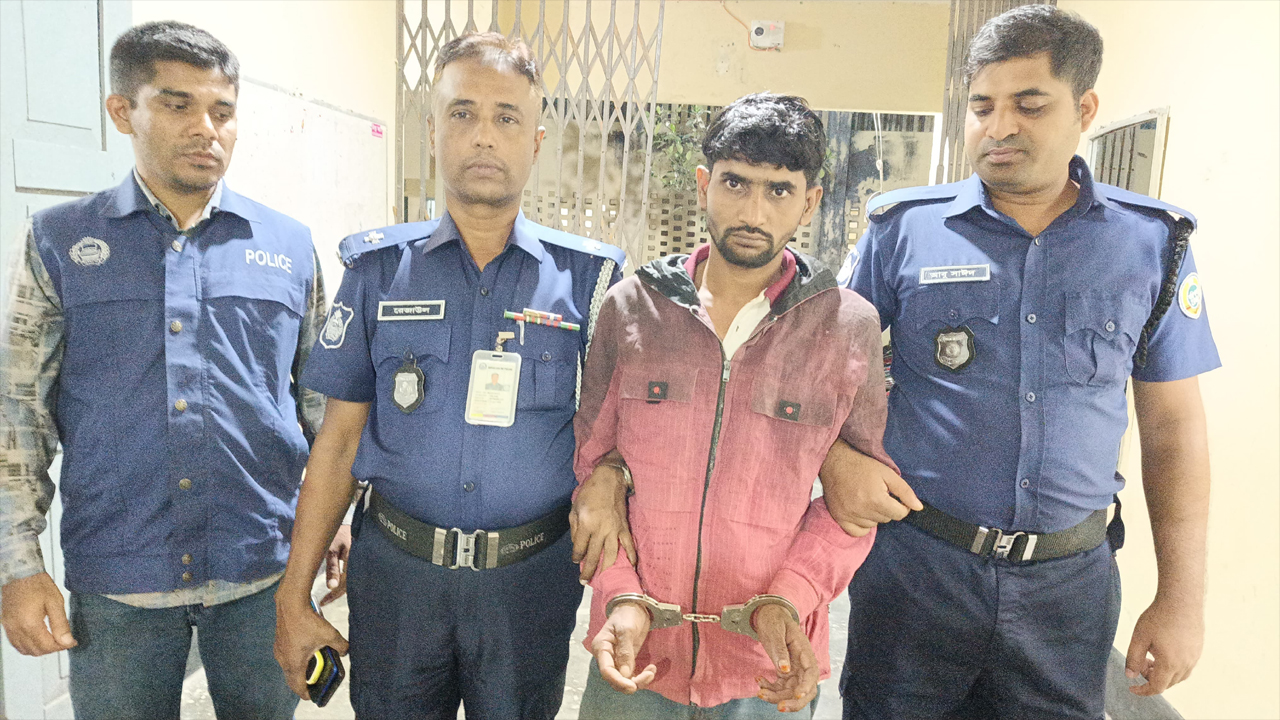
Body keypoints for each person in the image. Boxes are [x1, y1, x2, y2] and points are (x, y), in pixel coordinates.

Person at [833, 6, 1217, 719]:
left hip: (1068, 590)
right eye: (983, 106)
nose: (999, 126)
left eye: (1029, 105)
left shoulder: (1149, 244)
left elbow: (1173, 429)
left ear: (1084, 110)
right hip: (919, 570)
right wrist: (835, 461)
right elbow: (816, 373)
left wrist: (1181, 599)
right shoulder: (903, 231)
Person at [272, 31, 624, 719]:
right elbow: (338, 444)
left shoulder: (590, 281)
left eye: (506, 117)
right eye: (463, 113)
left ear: (536, 142)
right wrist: (295, 593)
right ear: (434, 133)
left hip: (529, 583)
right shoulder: (377, 273)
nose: (484, 135)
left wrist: (612, 477)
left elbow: (618, 434)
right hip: (398, 581)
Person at [0, 21, 325, 720]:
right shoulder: (60, 242)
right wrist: (18, 566)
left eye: (223, 111)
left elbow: (322, 409)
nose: (206, 128)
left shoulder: (289, 246)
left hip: (261, 571)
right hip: (120, 580)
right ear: (123, 112)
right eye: (177, 105)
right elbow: (18, 412)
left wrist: (335, 523)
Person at [573, 93, 892, 718]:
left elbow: (855, 506)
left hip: (768, 656)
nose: (753, 211)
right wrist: (620, 595)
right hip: (635, 644)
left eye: (779, 190)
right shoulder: (632, 308)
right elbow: (593, 467)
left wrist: (790, 597)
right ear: (704, 185)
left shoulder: (845, 326)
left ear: (809, 202)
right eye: (735, 183)